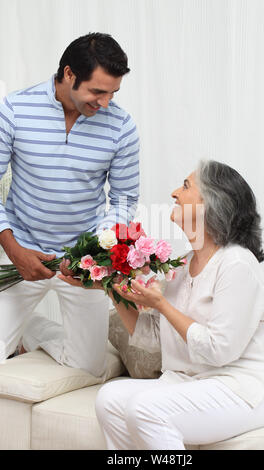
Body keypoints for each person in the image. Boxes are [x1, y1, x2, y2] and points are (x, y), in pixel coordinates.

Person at [60, 159, 264, 450]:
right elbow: (150, 337)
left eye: (185, 186)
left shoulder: (237, 264)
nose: (174, 192)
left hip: (249, 386)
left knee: (145, 408)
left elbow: (219, 350)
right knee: (110, 400)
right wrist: (109, 286)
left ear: (210, 205)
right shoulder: (182, 267)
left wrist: (160, 304)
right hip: (196, 380)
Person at [0, 33, 139, 377]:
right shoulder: (15, 109)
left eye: (112, 93)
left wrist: (94, 253)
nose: (105, 102)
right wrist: (12, 248)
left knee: (87, 370)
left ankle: (32, 331)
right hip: (20, 249)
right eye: (97, 92)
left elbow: (124, 200)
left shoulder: (122, 127)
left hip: (82, 262)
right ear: (69, 74)